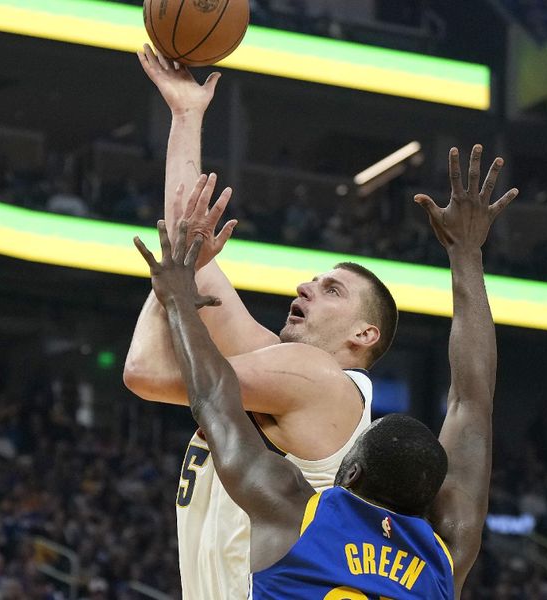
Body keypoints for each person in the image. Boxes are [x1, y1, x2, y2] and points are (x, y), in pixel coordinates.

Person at [133, 145, 518, 598]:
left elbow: (206, 395)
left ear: (347, 475)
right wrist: (468, 253)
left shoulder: (299, 519)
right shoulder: (439, 560)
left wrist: (174, 299)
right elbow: (472, 402)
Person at [124, 45, 397, 598]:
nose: (304, 287)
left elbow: (146, 373)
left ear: (363, 335)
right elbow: (190, 239)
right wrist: (186, 116)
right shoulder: (286, 371)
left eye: (331, 290)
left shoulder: (316, 379)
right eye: (313, 281)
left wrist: (171, 286)